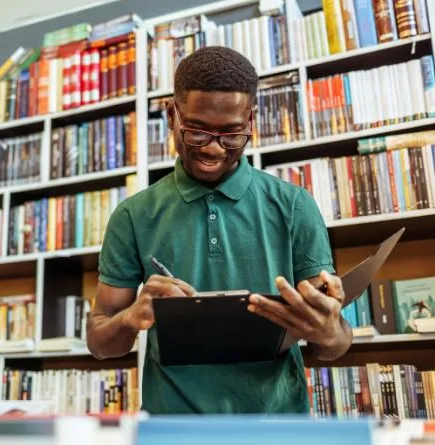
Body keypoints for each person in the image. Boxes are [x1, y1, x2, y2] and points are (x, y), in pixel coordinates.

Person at [86, 46, 353, 414]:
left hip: (278, 432)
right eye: (196, 132)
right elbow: (101, 344)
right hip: (173, 433)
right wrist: (132, 317)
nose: (213, 149)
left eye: (231, 135)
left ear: (251, 122)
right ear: (171, 115)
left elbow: (334, 347)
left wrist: (327, 329)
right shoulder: (132, 215)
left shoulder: (294, 206)